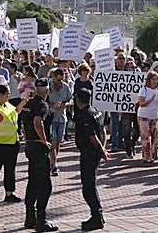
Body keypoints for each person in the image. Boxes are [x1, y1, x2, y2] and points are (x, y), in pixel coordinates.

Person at [22, 78, 57, 232]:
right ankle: (40, 220)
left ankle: (30, 216)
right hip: (38, 146)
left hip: (30, 144)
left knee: (33, 181)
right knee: (45, 184)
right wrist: (45, 141)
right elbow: (38, 122)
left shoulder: (28, 103)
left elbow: (24, 122)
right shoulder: (42, 105)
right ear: (47, 90)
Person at [0, 84, 27, 203]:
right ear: (0, 95)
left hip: (12, 143)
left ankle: (9, 193)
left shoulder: (7, 105)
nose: (9, 96)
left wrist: (24, 102)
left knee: (10, 169)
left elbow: (16, 112)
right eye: (7, 94)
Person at [74, 87, 109, 231]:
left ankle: (97, 216)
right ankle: (97, 215)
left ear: (78, 100)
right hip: (93, 153)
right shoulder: (95, 111)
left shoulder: (85, 115)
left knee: (88, 188)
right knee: (90, 185)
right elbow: (104, 131)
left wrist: (101, 150)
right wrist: (103, 149)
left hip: (89, 153)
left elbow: (92, 136)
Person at [47, 68, 72, 175]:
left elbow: (70, 100)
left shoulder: (65, 87)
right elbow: (43, 99)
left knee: (57, 142)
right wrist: (51, 104)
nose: (60, 82)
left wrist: (64, 104)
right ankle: (54, 165)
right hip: (51, 117)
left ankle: (52, 162)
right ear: (53, 77)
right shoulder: (48, 86)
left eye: (61, 80)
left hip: (62, 117)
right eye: (58, 80)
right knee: (52, 141)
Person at [137, 71, 158, 163]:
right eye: (153, 79)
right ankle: (146, 156)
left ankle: (153, 154)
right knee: (145, 136)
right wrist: (150, 100)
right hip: (144, 115)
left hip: (155, 115)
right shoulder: (144, 90)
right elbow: (141, 103)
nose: (154, 81)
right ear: (149, 80)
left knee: (154, 136)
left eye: (156, 79)